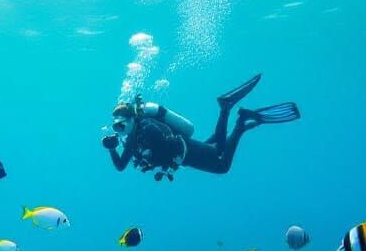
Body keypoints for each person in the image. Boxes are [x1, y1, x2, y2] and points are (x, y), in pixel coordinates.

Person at [101, 74, 299, 181]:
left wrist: (168, 162)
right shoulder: (133, 138)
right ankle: (240, 122)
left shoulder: (147, 128)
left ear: (132, 120)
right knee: (214, 145)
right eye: (116, 127)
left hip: (184, 152)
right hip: (184, 155)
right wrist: (111, 149)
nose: (119, 130)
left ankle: (228, 111)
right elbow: (120, 166)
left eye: (121, 125)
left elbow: (168, 140)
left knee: (221, 163)